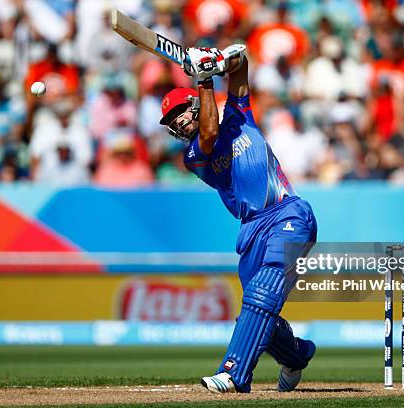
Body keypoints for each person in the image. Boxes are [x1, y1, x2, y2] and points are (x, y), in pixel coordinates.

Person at [158, 45, 317, 393]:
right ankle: (296, 355)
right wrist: (203, 79)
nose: (178, 123)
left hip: (288, 213)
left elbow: (241, 68)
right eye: (172, 123)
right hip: (251, 232)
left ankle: (233, 374)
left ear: (197, 105)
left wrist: (222, 59)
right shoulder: (194, 155)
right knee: (258, 312)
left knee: (262, 294)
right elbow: (210, 133)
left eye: (181, 114)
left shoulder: (239, 116)